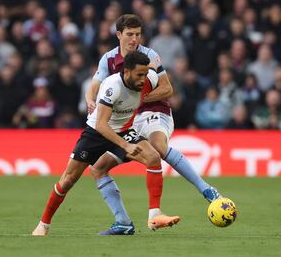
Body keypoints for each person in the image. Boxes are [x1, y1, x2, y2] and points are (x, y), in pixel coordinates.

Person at [86, 14, 221, 230]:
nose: (134, 39)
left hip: (154, 112)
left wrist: (140, 99)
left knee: (158, 147)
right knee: (98, 168)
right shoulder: (109, 59)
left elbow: (167, 89)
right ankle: (122, 223)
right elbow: (94, 85)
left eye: (138, 34)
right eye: (130, 34)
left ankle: (207, 190)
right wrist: (90, 100)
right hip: (127, 122)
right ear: (119, 35)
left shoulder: (149, 55)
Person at [32, 51, 179, 236]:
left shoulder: (147, 77)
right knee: (68, 179)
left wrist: (158, 72)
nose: (143, 80)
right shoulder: (112, 86)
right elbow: (101, 124)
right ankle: (43, 224)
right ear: (126, 72)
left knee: (153, 157)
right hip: (96, 134)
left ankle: (154, 215)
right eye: (139, 75)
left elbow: (167, 88)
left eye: (145, 74)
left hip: (123, 130)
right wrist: (125, 146)